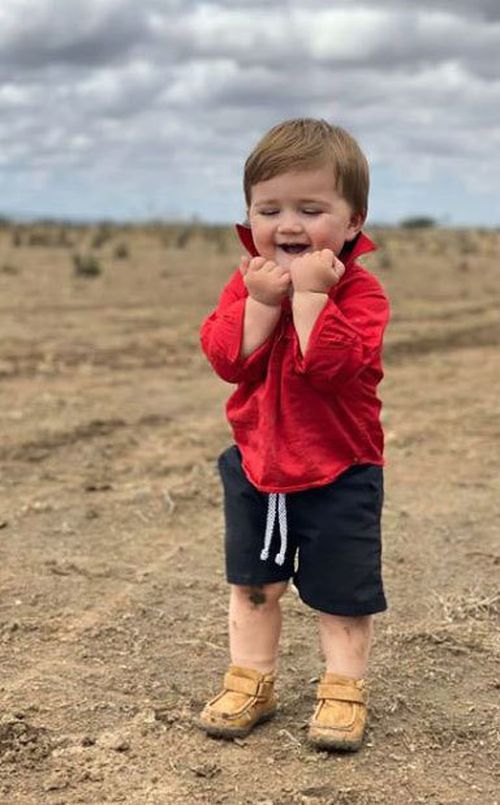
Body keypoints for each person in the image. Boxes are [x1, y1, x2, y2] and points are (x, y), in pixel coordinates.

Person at [198, 118, 390, 751]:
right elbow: (229, 360)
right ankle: (251, 679)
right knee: (254, 585)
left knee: (341, 593)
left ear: (353, 220)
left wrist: (310, 298)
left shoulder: (361, 292)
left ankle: (342, 690)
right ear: (249, 214)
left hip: (341, 469)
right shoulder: (249, 280)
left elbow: (334, 369)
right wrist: (259, 304)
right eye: (269, 208)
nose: (287, 225)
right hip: (257, 464)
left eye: (311, 209)